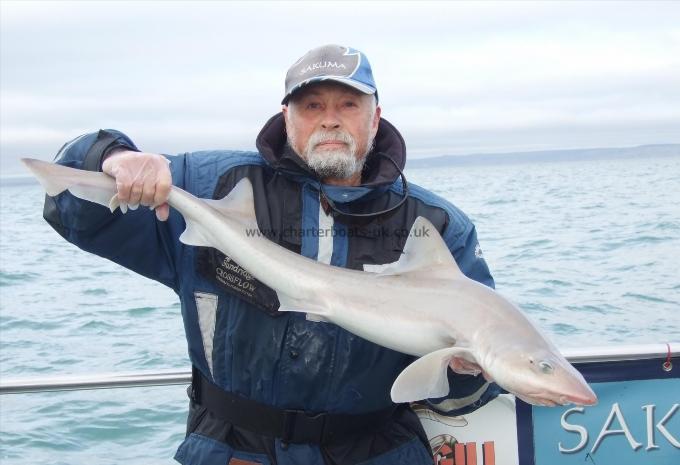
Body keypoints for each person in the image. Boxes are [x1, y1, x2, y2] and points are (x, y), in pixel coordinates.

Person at [44, 44, 500, 465]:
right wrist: (111, 156)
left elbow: (463, 392)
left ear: (375, 117)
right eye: (312, 106)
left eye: (348, 105)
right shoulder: (207, 186)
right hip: (235, 447)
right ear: (287, 117)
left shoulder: (434, 226)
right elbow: (73, 209)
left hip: (375, 449)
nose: (330, 120)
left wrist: (464, 372)